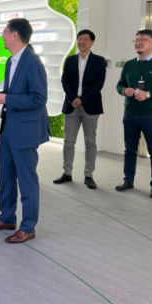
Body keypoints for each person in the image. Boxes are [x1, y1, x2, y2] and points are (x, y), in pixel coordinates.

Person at [0, 19, 49, 244]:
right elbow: (13, 93)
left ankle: (28, 227)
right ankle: (7, 217)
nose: (1, 35)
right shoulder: (11, 61)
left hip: (26, 130)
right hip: (8, 127)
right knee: (6, 175)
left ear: (14, 35)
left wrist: (7, 99)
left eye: (4, 32)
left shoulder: (32, 62)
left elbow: (38, 98)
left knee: (27, 180)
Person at [115, 29, 152, 198]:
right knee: (130, 149)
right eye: (136, 40)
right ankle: (128, 180)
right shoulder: (129, 64)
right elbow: (119, 85)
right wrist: (124, 90)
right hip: (130, 113)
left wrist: (147, 94)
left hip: (151, 115)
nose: (138, 43)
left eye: (143, 40)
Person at [55, 29, 106, 189]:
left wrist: (82, 99)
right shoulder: (70, 60)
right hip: (72, 106)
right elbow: (65, 81)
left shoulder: (99, 61)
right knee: (69, 141)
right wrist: (73, 98)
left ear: (92, 42)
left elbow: (98, 84)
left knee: (90, 142)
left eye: (85, 39)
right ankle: (67, 173)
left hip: (91, 106)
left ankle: (89, 175)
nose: (81, 42)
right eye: (79, 39)